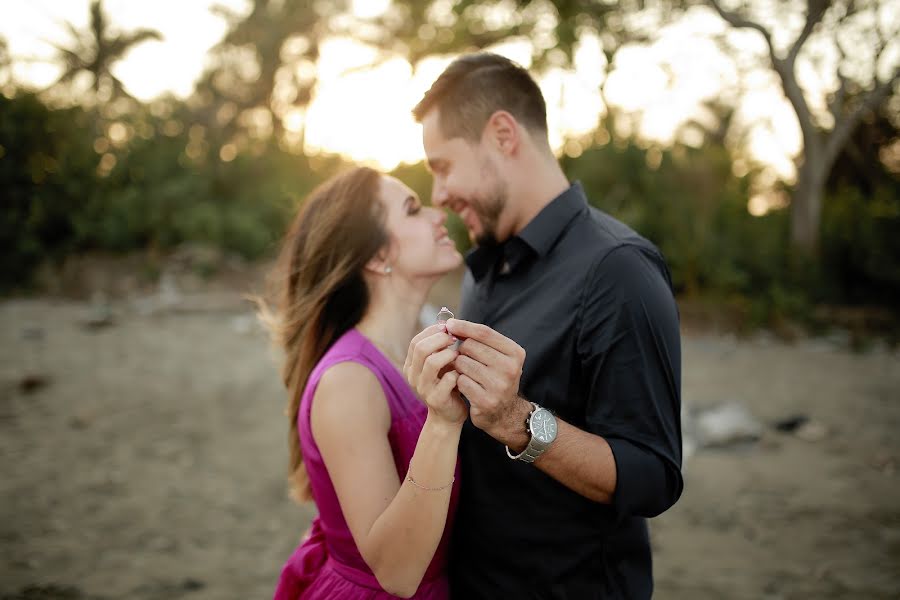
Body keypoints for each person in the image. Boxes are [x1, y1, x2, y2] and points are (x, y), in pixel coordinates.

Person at [406, 53, 684, 599]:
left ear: (503, 134)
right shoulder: (486, 265)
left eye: (442, 166)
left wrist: (517, 420)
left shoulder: (618, 269)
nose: (438, 194)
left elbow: (654, 475)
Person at [260, 166, 467, 598]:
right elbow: (397, 571)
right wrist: (443, 424)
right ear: (376, 257)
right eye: (413, 210)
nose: (437, 214)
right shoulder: (348, 381)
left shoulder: (416, 348)